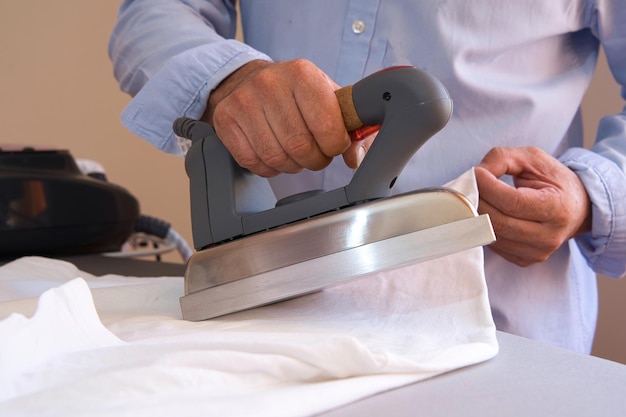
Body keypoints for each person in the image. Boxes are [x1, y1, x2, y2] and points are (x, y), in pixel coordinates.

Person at [108, 0, 626, 353]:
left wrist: (589, 194)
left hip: (497, 327)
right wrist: (229, 79)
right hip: (267, 318)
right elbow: (157, 11)